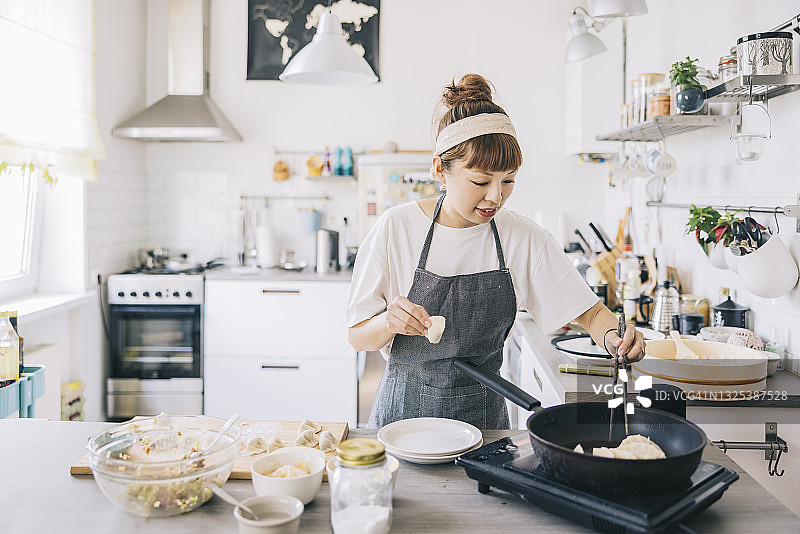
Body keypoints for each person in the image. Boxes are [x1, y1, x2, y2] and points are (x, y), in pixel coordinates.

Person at [346, 74, 645, 429]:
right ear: (440, 169)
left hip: (483, 424)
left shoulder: (523, 238)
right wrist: (388, 322)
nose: (495, 197)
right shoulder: (396, 228)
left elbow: (592, 315)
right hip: (402, 422)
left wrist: (616, 337)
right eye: (480, 181)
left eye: (508, 181)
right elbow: (357, 335)